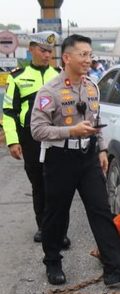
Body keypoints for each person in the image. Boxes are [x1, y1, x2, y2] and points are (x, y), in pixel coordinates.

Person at [30, 34, 120, 286]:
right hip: (60, 158)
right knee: (56, 214)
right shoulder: (49, 91)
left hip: (89, 156)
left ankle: (115, 267)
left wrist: (102, 149)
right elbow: (37, 130)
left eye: (90, 55)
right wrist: (71, 131)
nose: (88, 59)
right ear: (67, 57)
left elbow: (96, 122)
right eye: (83, 54)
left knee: (101, 210)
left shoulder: (92, 86)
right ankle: (52, 261)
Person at [2, 32, 71, 248]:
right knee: (39, 184)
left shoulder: (59, 75)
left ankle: (59, 230)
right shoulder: (17, 77)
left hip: (56, 137)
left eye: (50, 51)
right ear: (31, 49)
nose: (47, 55)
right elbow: (9, 112)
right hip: (30, 139)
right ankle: (44, 227)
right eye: (43, 50)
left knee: (57, 184)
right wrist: (13, 141)